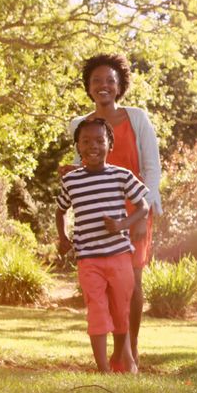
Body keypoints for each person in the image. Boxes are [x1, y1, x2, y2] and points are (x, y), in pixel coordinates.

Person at [65, 54, 161, 365]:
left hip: (133, 210)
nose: (103, 86)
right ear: (89, 87)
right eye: (96, 81)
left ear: (119, 86)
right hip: (99, 217)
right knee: (101, 288)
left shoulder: (137, 119)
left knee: (130, 284)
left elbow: (150, 166)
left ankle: (128, 353)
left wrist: (144, 216)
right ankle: (107, 358)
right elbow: (84, 169)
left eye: (110, 80)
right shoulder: (81, 125)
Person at [57, 118, 150, 374]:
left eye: (99, 140)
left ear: (110, 144)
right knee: (97, 311)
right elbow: (60, 210)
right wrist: (63, 237)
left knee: (121, 310)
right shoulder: (72, 181)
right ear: (77, 147)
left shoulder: (121, 175)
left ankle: (121, 358)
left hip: (119, 255)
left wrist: (123, 224)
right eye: (85, 142)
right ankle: (103, 370)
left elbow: (143, 206)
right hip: (88, 259)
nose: (93, 146)